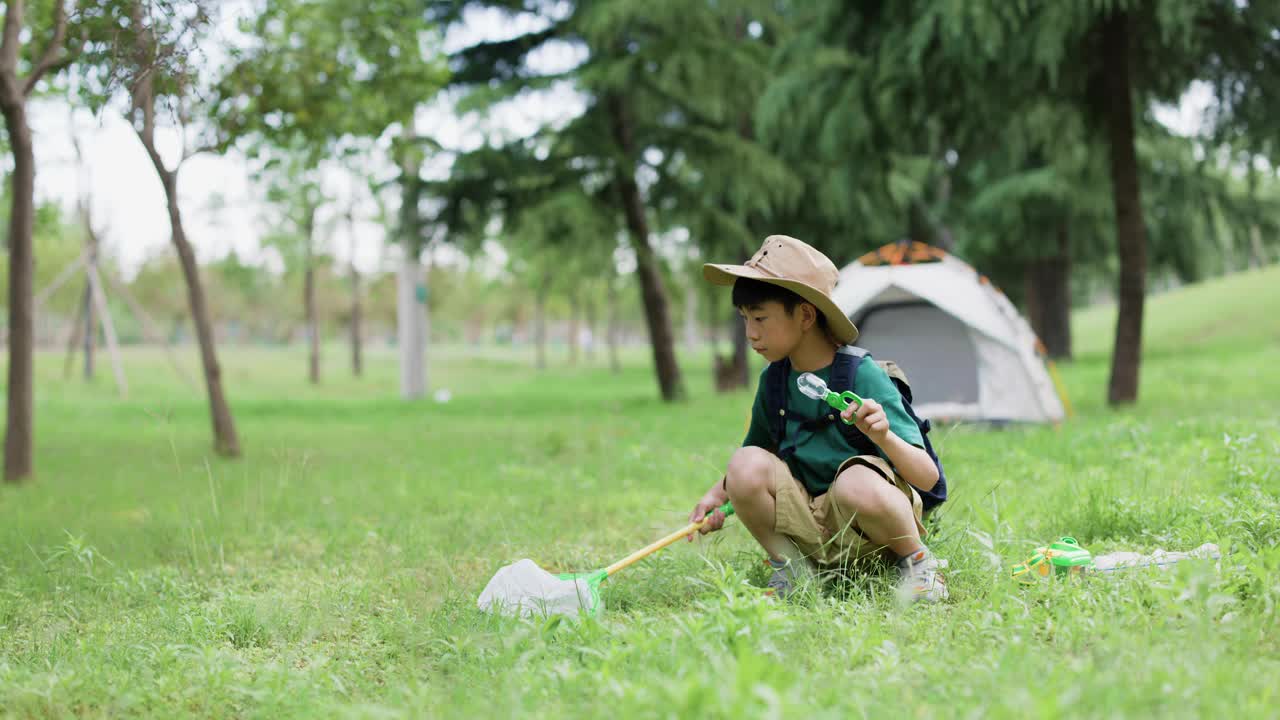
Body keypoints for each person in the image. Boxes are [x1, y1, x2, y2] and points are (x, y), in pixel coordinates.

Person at [689, 235, 948, 603]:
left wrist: (885, 436)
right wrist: (716, 495)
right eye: (745, 319)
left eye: (761, 318)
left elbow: (927, 476)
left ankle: (918, 563)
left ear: (806, 315)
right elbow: (757, 453)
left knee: (854, 481)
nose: (750, 333)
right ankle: (794, 570)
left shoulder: (864, 375)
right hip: (812, 525)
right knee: (742, 466)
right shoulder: (775, 381)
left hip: (869, 529)